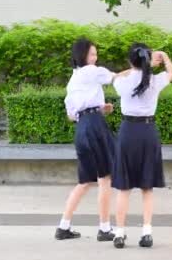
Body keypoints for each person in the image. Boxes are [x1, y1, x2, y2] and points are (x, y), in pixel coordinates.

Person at [55, 37, 128, 241]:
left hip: (82, 128)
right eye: (92, 54)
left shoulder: (73, 79)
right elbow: (116, 77)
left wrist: (98, 108)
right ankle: (105, 229)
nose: (95, 58)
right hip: (95, 127)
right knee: (105, 178)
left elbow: (71, 115)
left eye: (96, 54)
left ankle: (63, 227)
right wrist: (140, 68)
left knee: (85, 181)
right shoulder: (91, 71)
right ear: (83, 55)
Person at [111, 43, 172, 249]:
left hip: (128, 131)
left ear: (131, 61)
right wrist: (163, 58)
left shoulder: (123, 81)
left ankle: (119, 234)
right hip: (148, 132)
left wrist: (138, 65)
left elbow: (115, 76)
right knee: (147, 187)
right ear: (148, 60)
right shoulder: (155, 81)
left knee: (124, 187)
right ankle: (147, 232)